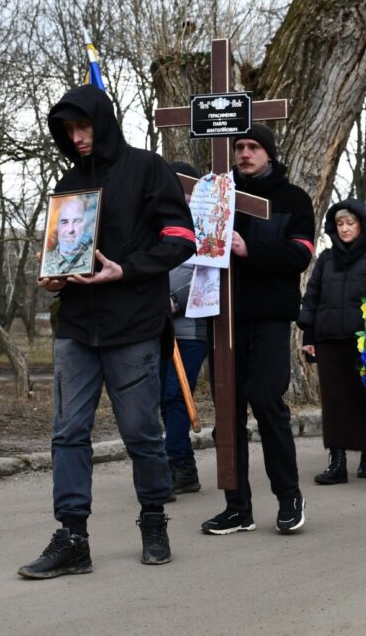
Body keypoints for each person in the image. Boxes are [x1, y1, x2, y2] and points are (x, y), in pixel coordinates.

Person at [18, 84, 196, 579]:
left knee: (142, 432)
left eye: (83, 127)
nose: (76, 138)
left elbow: (181, 238)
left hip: (134, 323)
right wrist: (54, 277)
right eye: (67, 130)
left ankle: (155, 520)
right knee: (68, 434)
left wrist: (129, 269)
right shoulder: (68, 184)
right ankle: (73, 537)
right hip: (76, 326)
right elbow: (64, 251)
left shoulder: (148, 168)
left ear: (103, 122)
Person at [200, 123, 315, 535]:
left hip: (268, 317)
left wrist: (251, 249)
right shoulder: (219, 196)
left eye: (253, 147)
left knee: (266, 402)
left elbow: (300, 253)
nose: (245, 153)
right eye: (239, 147)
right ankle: (237, 506)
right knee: (227, 413)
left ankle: (289, 497)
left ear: (269, 153)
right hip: (223, 317)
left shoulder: (292, 199)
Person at [298, 199, 366, 484]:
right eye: (340, 224)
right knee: (333, 402)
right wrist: (309, 336)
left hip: (364, 341)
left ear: (362, 226)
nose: (345, 229)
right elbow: (312, 297)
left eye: (351, 223)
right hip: (328, 337)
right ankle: (337, 462)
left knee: (362, 398)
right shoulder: (326, 258)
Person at [160, 161, 207, 497]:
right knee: (166, 397)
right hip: (159, 326)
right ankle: (185, 467)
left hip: (192, 326)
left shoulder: (205, 222)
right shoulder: (159, 219)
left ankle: (173, 462)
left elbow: (210, 270)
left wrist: (175, 299)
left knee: (177, 395)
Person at [41, 196, 94, 276]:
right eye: (64, 222)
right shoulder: (45, 261)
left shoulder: (94, 259)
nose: (70, 230)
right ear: (56, 226)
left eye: (77, 221)